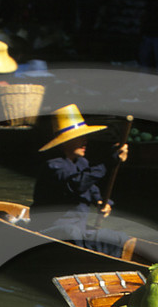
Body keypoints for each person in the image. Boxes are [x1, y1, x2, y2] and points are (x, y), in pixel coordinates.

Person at [30, 104, 128, 252]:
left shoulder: (82, 163)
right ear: (65, 141)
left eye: (84, 136)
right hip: (51, 230)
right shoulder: (54, 166)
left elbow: (90, 187)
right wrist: (109, 162)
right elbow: (77, 184)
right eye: (80, 137)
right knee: (71, 232)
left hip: (78, 230)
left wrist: (101, 201)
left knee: (118, 238)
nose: (85, 141)